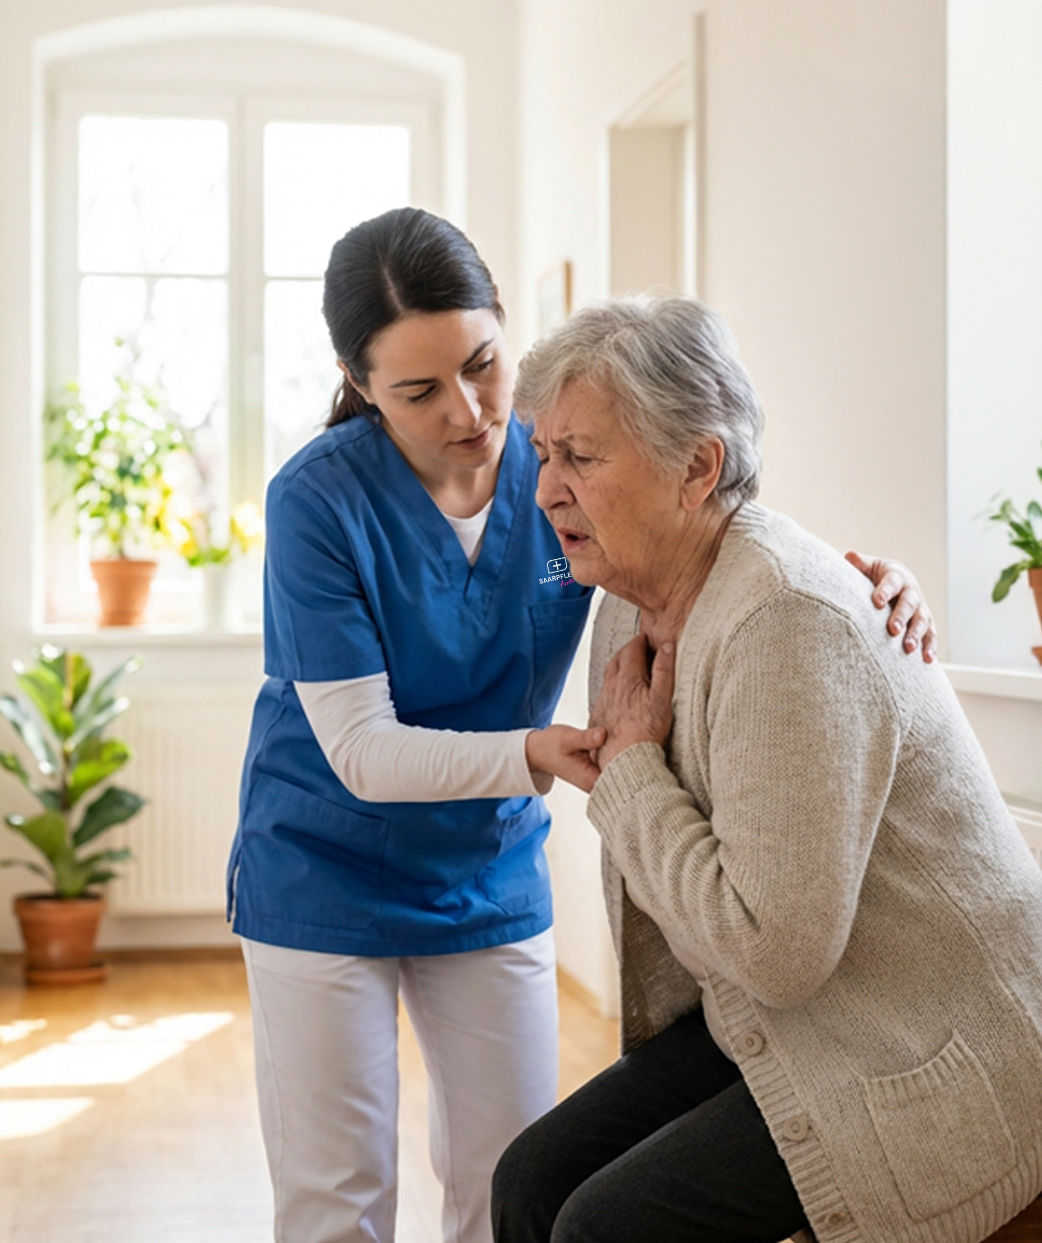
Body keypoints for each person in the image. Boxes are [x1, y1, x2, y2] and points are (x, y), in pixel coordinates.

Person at [226, 207, 936, 1243]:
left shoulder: (557, 460)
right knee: (337, 1200)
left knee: (510, 1179)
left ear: (504, 326)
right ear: (358, 381)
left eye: (483, 364)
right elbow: (362, 750)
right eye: (419, 391)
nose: (468, 410)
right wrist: (537, 752)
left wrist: (867, 579)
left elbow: (714, 525)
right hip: (322, 867)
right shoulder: (317, 503)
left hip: (486, 865)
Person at [491, 296, 1042, 1243]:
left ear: (698, 468)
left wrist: (633, 769)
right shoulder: (627, 602)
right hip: (782, 1022)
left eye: (580, 457)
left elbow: (778, 953)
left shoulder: (788, 622)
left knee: (603, 1229)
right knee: (528, 1181)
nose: (545, 491)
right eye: (543, 453)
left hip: (936, 1057)